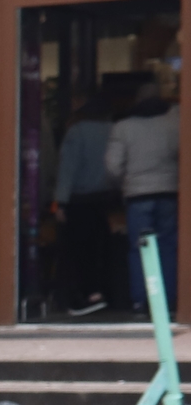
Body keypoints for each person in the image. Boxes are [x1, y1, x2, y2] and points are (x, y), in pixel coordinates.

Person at [104, 85, 181, 315]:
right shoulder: (173, 124)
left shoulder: (123, 128)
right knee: (168, 245)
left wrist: (123, 185)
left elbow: (112, 166)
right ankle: (168, 298)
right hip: (168, 192)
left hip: (137, 195)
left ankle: (141, 300)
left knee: (139, 248)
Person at [53, 91, 121, 315]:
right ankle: (104, 293)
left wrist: (59, 202)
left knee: (80, 251)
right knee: (104, 248)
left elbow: (68, 169)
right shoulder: (114, 130)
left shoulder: (77, 132)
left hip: (80, 200)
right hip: (108, 199)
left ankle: (86, 296)